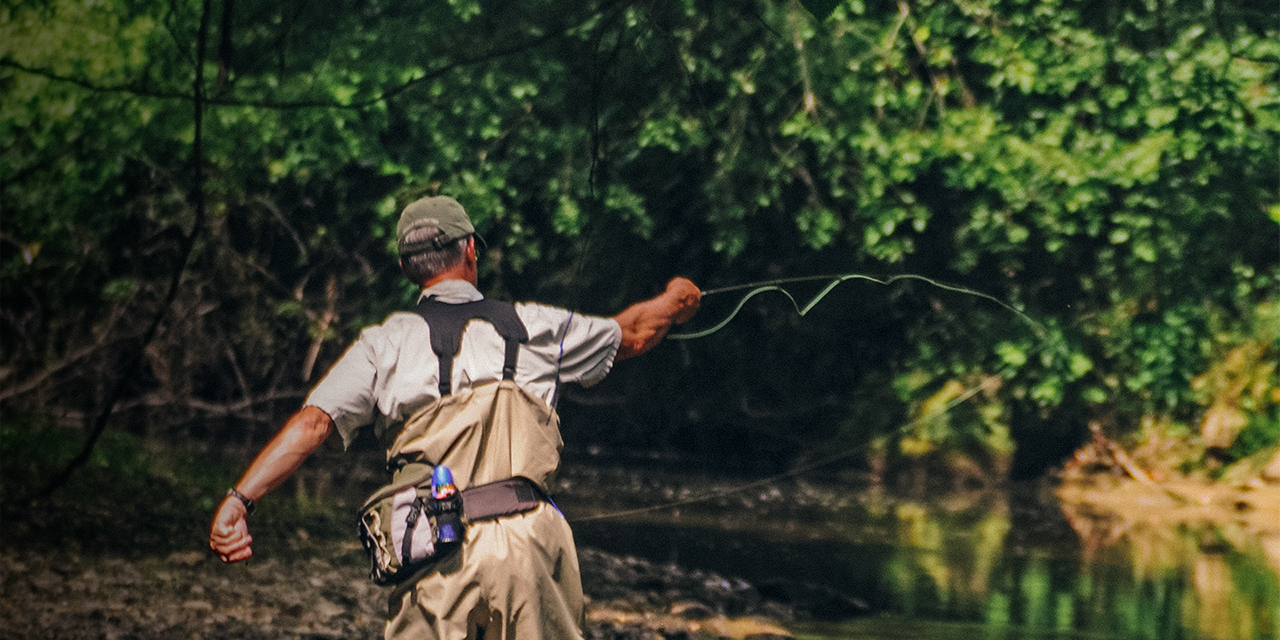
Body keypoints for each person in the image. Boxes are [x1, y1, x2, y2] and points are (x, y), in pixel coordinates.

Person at [208, 194, 701, 640]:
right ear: (470, 250)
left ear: (406, 266)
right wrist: (676, 299)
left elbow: (312, 424)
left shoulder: (384, 344)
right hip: (528, 551)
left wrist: (239, 500)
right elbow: (634, 333)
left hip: (432, 553)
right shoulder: (535, 325)